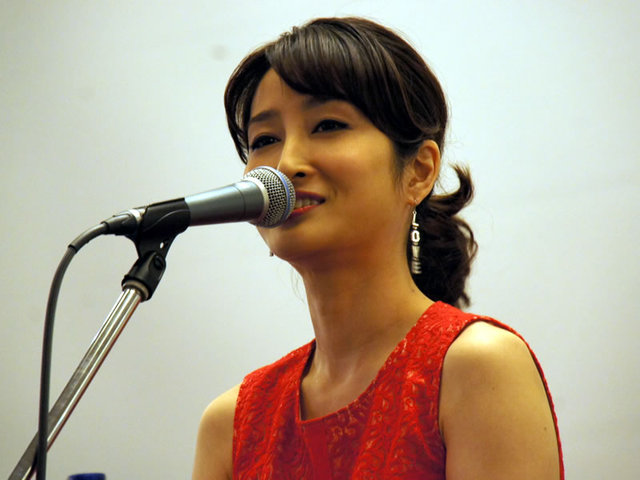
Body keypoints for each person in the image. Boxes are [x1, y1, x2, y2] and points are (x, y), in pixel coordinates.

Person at [193, 17, 563, 480]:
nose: (286, 164)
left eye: (328, 125)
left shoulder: (477, 368)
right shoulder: (231, 425)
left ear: (419, 172)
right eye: (265, 140)